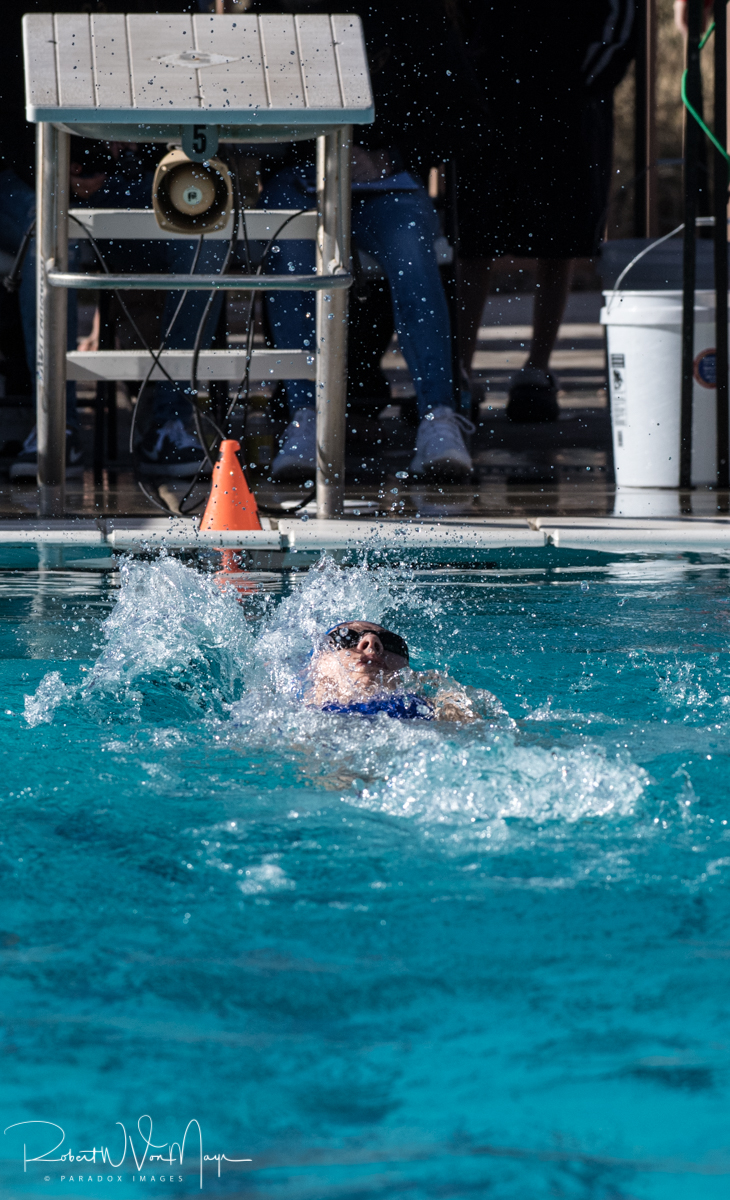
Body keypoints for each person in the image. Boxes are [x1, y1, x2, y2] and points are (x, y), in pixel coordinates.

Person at [256, 0, 483, 484]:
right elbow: (242, 109)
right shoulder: (276, 11)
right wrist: (310, 150)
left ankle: (439, 418)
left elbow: (463, 116)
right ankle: (304, 416)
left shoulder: (417, 15)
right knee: (291, 254)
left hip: (388, 182)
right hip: (300, 183)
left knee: (412, 254)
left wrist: (389, 154)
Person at [457, 0, 635, 421]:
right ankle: (459, 370)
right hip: (493, 86)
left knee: (559, 236)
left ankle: (536, 368)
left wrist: (582, 81)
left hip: (565, 98)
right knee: (474, 235)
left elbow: (621, 22)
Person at [308, 620, 498, 722]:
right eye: (347, 638)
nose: (373, 643)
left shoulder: (434, 711)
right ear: (315, 664)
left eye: (393, 644)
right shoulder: (288, 716)